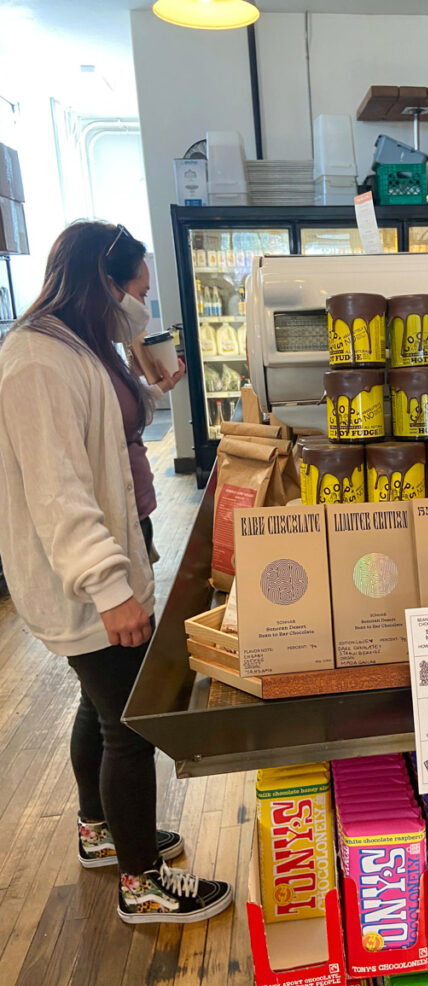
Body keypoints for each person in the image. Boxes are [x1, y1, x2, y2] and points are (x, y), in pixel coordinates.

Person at [0, 221, 232, 924]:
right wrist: (109, 587)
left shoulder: (82, 345)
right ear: (102, 280)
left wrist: (153, 380)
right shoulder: (38, 361)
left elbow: (118, 428)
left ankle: (101, 830)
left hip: (114, 549)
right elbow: (57, 489)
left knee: (98, 705)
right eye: (134, 286)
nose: (142, 302)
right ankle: (143, 881)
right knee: (129, 726)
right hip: (80, 577)